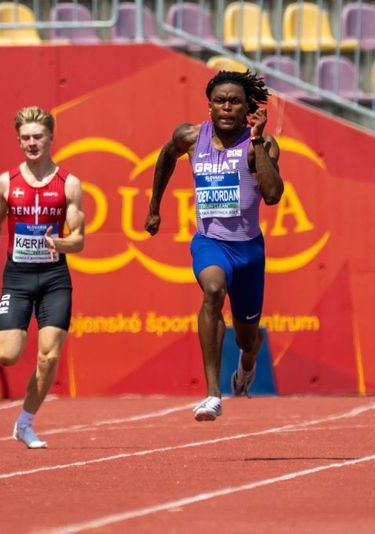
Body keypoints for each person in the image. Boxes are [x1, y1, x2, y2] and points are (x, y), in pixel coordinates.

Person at [144, 70, 284, 421]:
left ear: (246, 108)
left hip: (249, 251)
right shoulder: (190, 137)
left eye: (234, 101)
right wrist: (154, 208)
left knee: (246, 341)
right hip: (210, 243)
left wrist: (254, 140)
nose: (226, 107)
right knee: (212, 290)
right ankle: (212, 393)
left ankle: (247, 365)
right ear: (209, 107)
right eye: (220, 101)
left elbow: (272, 195)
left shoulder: (262, 145)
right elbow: (165, 157)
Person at [0, 106, 85, 448]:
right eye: (25, 138)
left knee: (48, 356)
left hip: (54, 278)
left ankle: (25, 422)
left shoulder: (69, 184)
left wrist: (61, 242)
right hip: (18, 277)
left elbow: (79, 239)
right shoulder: (7, 182)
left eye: (38, 137)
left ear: (50, 138)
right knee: (7, 355)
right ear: (18, 140)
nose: (32, 143)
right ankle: (24, 415)